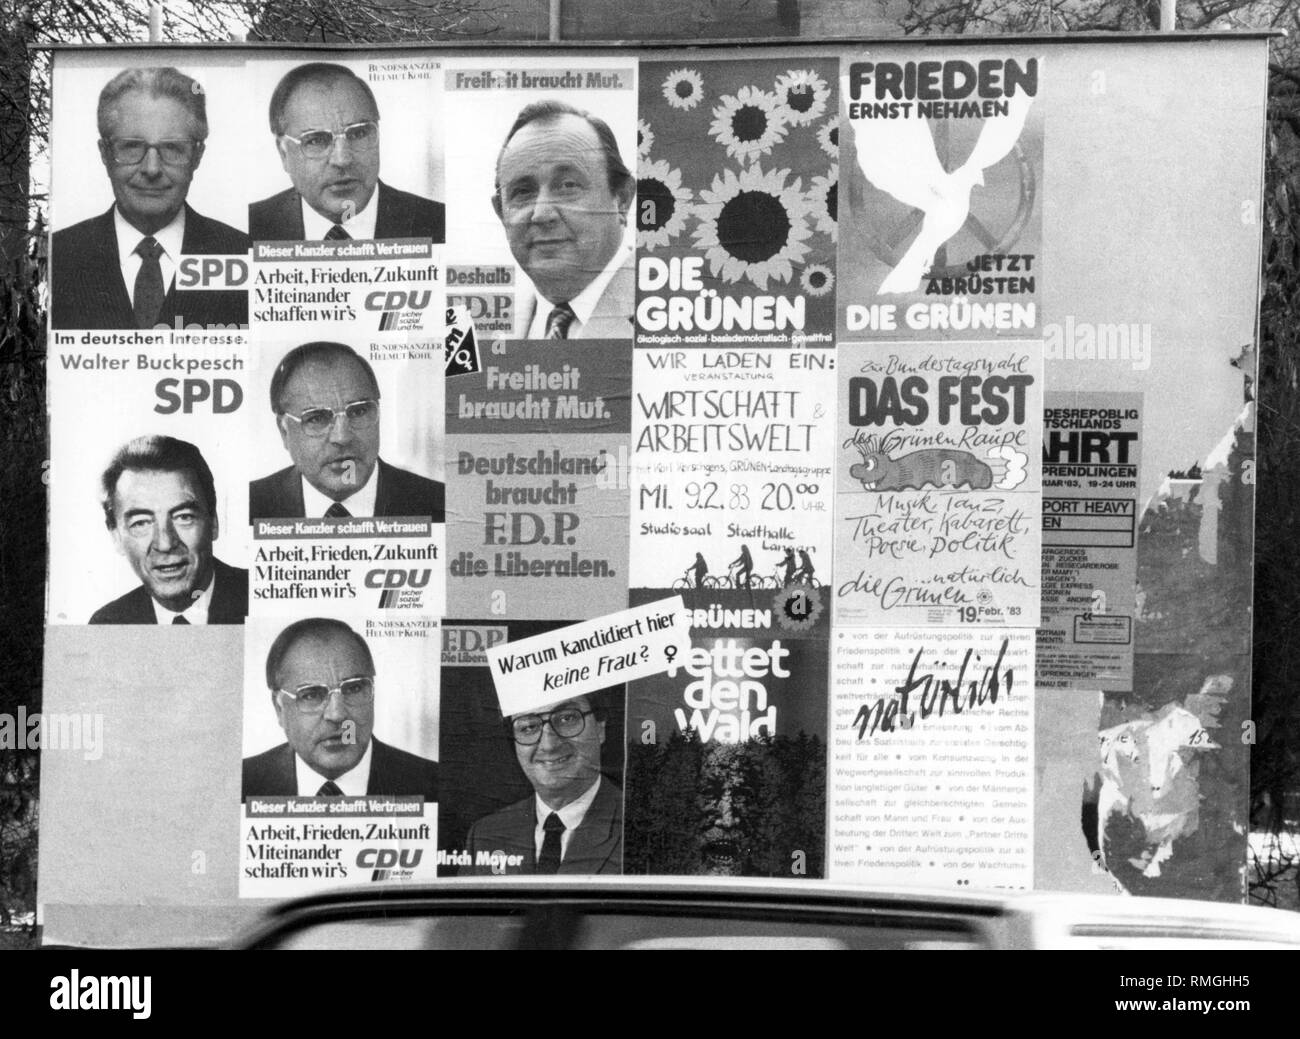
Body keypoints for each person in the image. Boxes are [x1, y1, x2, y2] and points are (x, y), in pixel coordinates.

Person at [50, 67, 249, 331]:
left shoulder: (243, 254)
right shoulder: (61, 255)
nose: (152, 169)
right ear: (105, 154)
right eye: (132, 146)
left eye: (172, 148)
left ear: (197, 156)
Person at [242, 617, 439, 798]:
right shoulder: (243, 783)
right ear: (279, 709)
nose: (337, 715)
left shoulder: (433, 785)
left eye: (353, 688)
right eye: (310, 695)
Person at [249, 341, 444, 521]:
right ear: (284, 432)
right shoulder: (251, 505)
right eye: (316, 418)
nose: (342, 437)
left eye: (359, 411)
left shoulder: (440, 504)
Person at [250, 62, 444, 242]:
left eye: (359, 133)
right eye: (316, 140)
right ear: (283, 154)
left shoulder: (437, 223)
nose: (342, 159)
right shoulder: (252, 230)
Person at [492, 100, 635, 339]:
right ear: (501, 212)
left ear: (622, 200)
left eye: (568, 186)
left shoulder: (669, 312)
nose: (541, 214)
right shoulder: (475, 335)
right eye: (523, 192)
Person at [90, 435, 247, 625]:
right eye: (141, 523)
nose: (165, 544)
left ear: (213, 522)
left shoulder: (261, 599)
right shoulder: (107, 624)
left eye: (184, 517)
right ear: (116, 536)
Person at [465, 693, 622, 875]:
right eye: (529, 727)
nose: (549, 745)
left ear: (600, 728)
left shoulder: (644, 828)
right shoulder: (486, 835)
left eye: (567, 718)